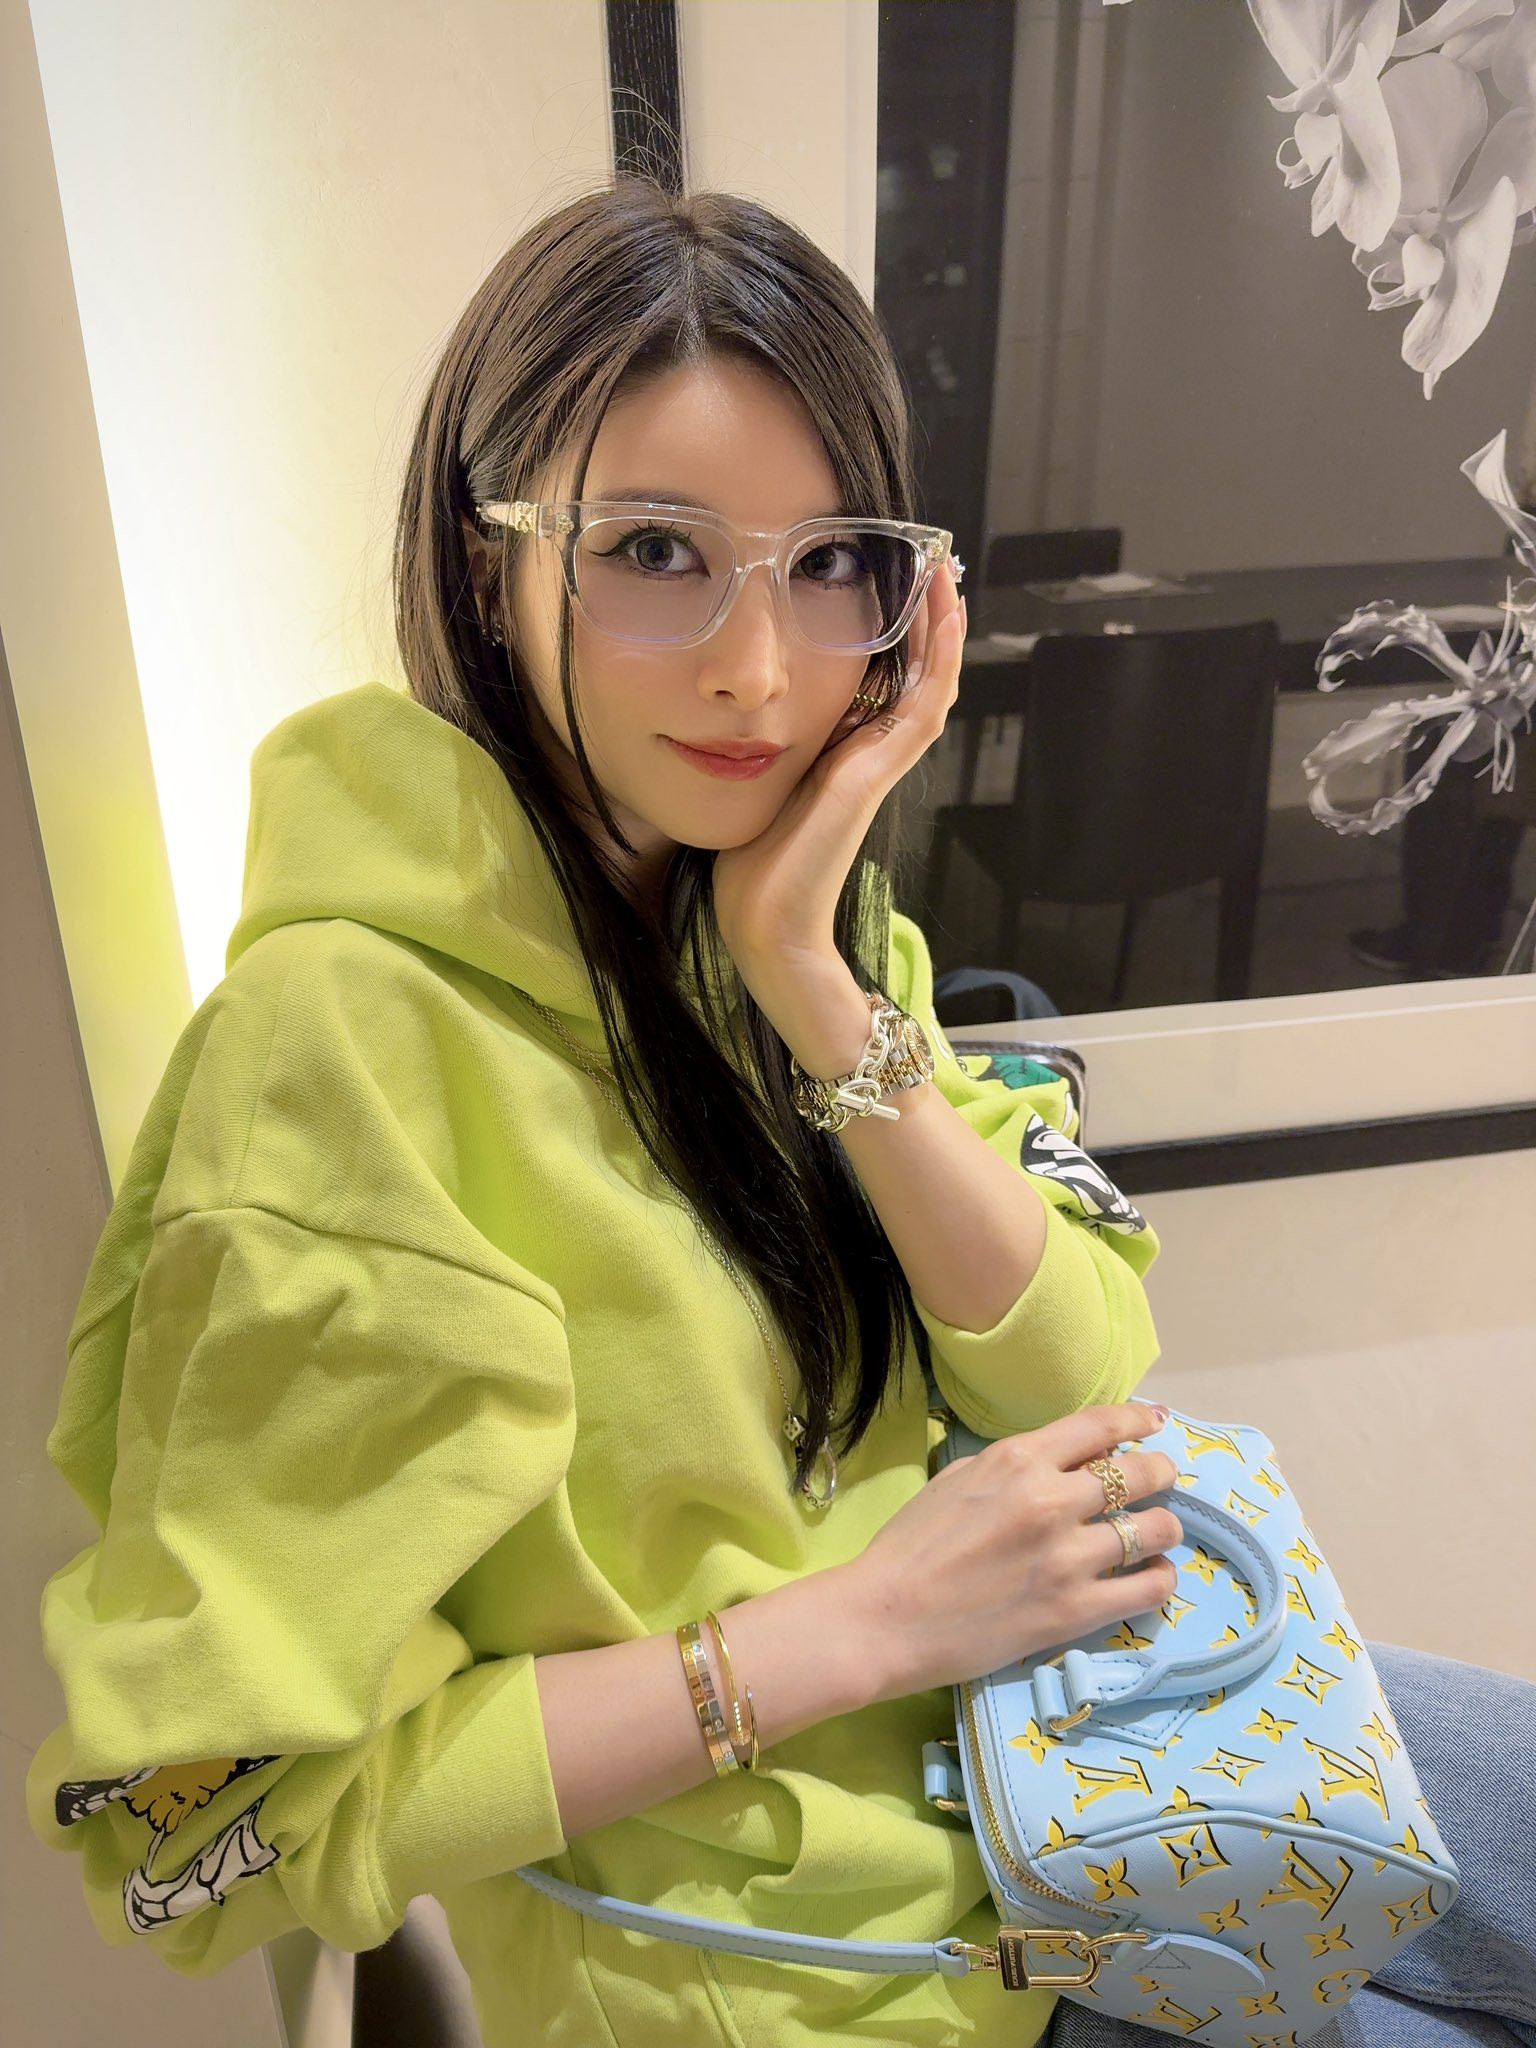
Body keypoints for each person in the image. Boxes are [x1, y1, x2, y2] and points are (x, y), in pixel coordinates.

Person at [25, 180, 1535, 2048]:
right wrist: (861, 1628)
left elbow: (1078, 1369)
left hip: (1070, 1748)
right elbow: (196, 1841)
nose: (759, 667)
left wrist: (811, 977)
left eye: (832, 564)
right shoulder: (339, 1056)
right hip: (851, 1978)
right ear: (487, 565)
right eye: (655, 549)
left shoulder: (788, 916)